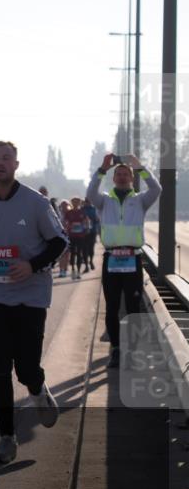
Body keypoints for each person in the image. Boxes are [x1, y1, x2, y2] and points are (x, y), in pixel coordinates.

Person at [0, 142, 68, 463]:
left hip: (30, 297)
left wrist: (32, 265)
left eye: (6, 159)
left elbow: (59, 242)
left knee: (26, 368)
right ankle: (6, 439)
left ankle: (38, 390)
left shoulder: (36, 203)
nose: (0, 164)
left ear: (16, 165)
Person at [86, 153, 161, 368]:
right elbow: (91, 192)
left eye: (125, 173)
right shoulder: (104, 201)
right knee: (111, 307)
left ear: (131, 177)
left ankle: (133, 349)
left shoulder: (140, 200)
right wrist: (102, 168)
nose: (120, 176)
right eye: (117, 173)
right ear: (113, 177)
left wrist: (139, 166)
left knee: (133, 306)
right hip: (111, 259)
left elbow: (157, 189)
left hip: (133, 259)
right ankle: (117, 349)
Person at [62, 197, 90, 279]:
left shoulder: (82, 212)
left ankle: (78, 271)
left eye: (77, 202)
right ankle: (73, 270)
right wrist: (67, 227)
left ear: (79, 203)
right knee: (73, 253)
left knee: (79, 253)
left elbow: (86, 221)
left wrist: (87, 228)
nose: (75, 203)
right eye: (74, 202)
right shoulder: (69, 212)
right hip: (71, 236)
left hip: (80, 236)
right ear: (72, 203)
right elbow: (64, 222)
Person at [81, 198, 99, 271]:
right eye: (86, 201)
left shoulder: (94, 209)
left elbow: (97, 220)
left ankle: (91, 261)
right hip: (83, 232)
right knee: (84, 249)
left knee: (91, 248)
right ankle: (86, 265)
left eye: (88, 201)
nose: (87, 203)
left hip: (92, 231)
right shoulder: (81, 210)